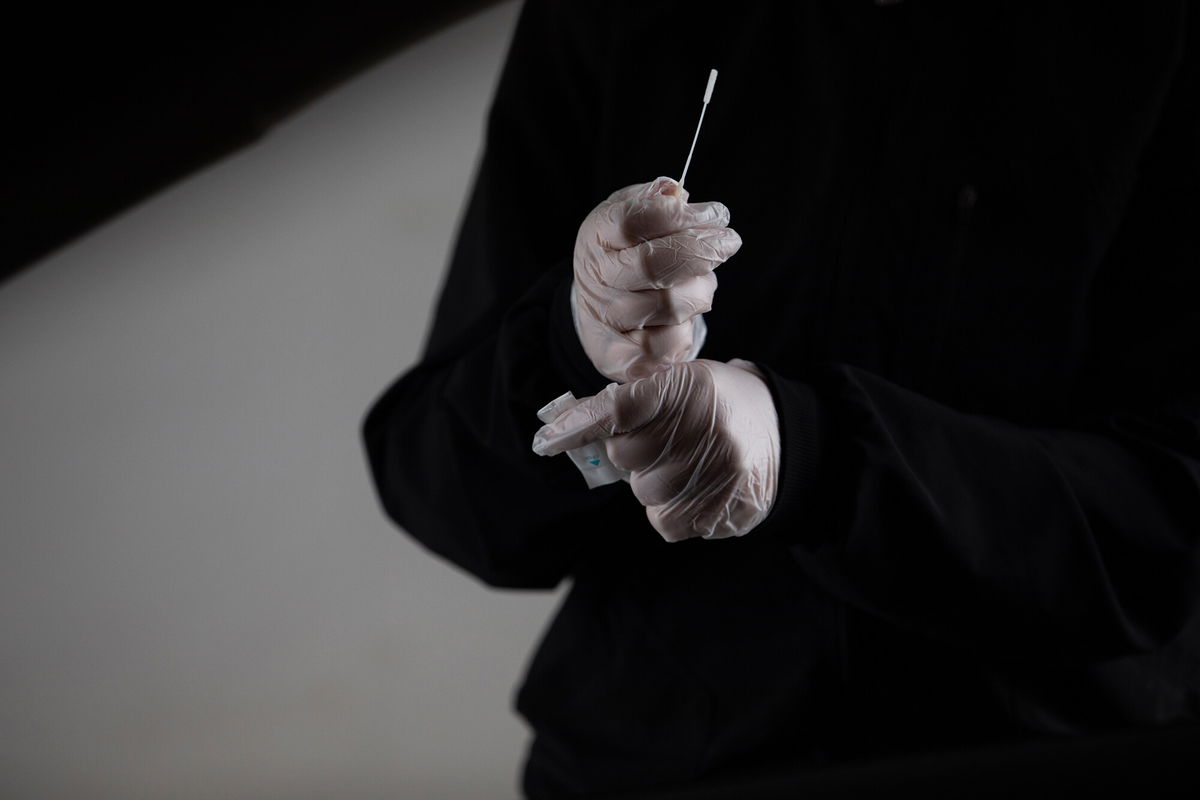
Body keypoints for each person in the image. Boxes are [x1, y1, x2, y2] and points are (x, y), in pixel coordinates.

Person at [362, 2, 1200, 797]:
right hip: (657, 768)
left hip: (1041, 761)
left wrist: (809, 453)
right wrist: (576, 339)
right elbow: (438, 488)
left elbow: (1169, 532)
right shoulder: (615, 16)